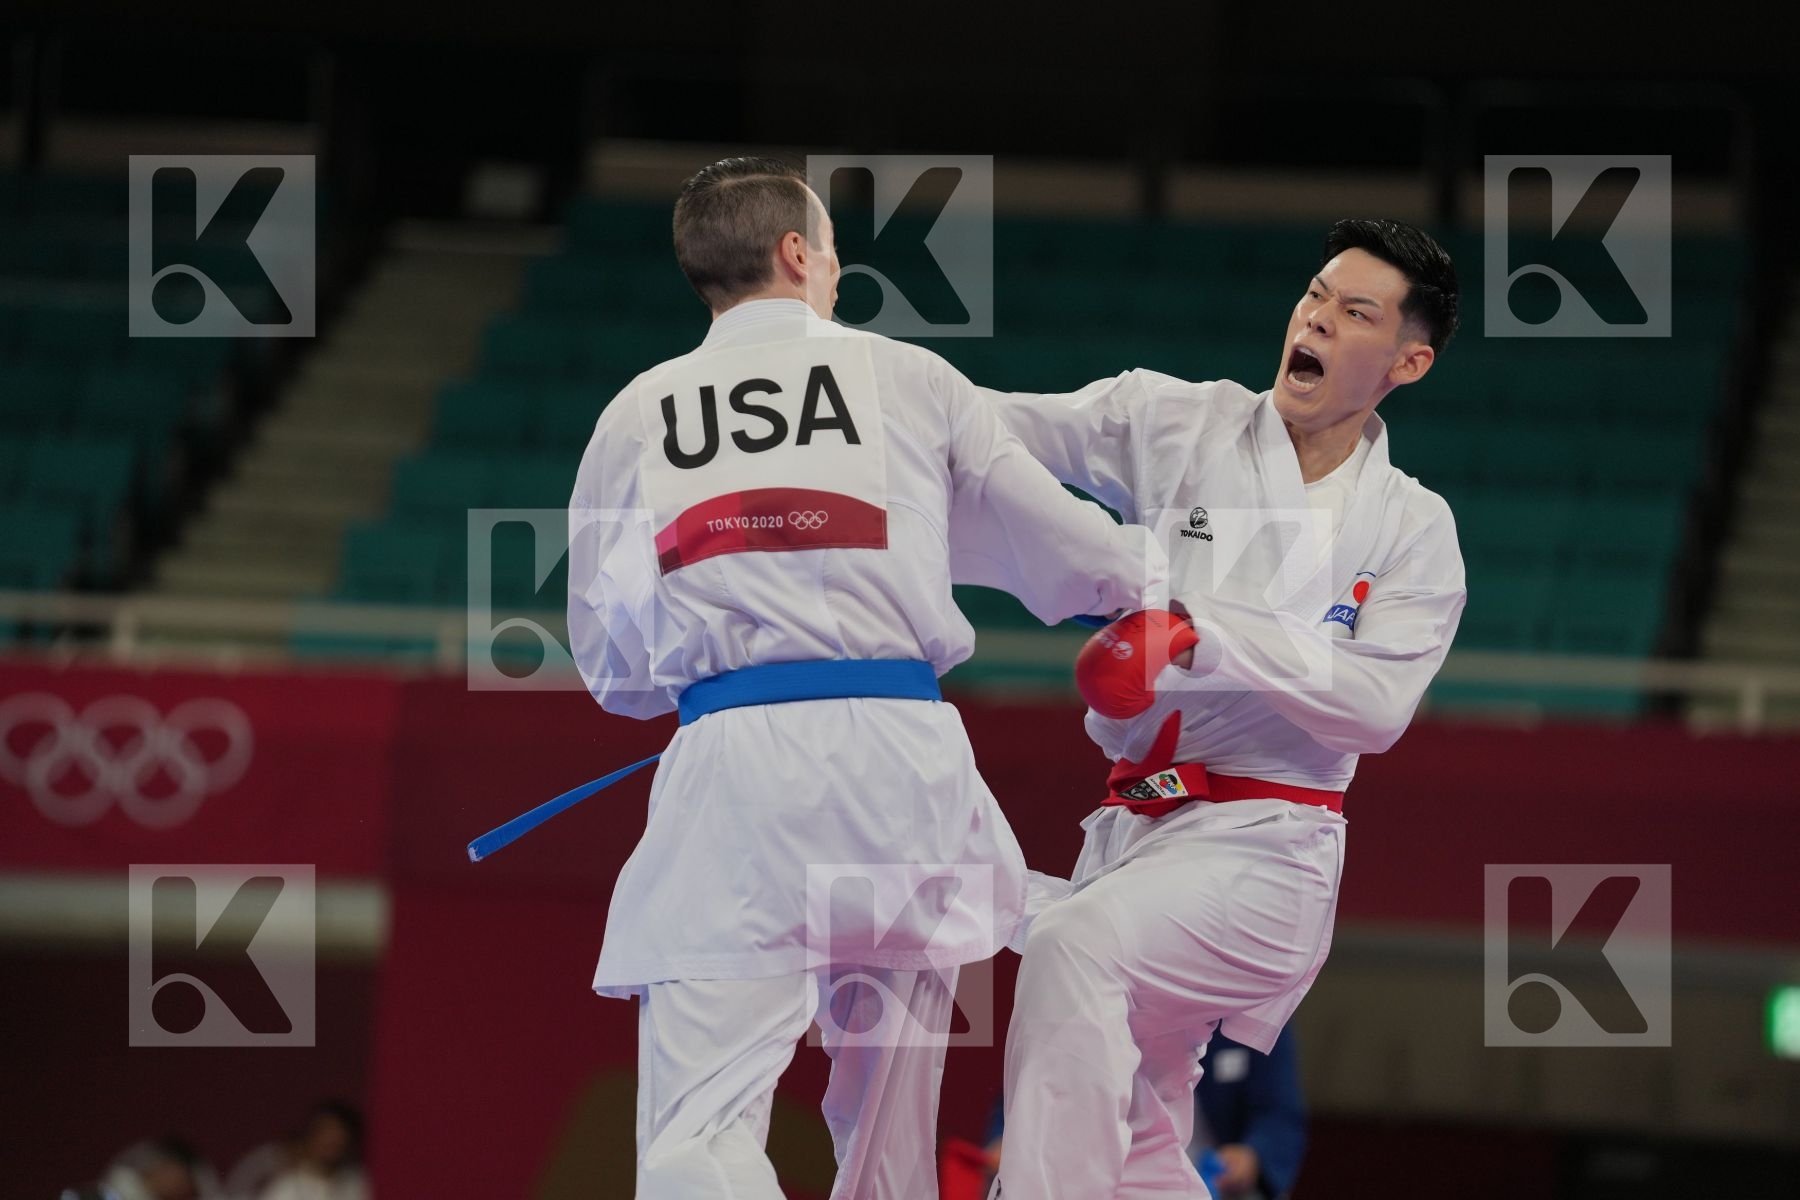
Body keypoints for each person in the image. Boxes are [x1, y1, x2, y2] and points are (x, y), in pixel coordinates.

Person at [565, 157, 1166, 1200]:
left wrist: (712, 677)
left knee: (698, 1129)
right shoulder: (909, 377)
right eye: (834, 250)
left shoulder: (634, 415)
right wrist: (1164, 583)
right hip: (901, 772)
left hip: (737, 781)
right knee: (888, 1142)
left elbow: (610, 664)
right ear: (799, 254)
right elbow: (1070, 547)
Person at [985, 218, 1466, 1198]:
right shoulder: (1172, 420)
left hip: (1271, 845)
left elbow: (1378, 707)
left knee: (1075, 944)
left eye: (1356, 312)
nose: (1317, 319)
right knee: (1140, 1127)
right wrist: (854, 387)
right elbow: (985, 428)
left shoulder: (1412, 527)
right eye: (1316, 295)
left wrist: (1201, 629)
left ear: (1408, 362)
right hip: (1133, 824)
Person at [977, 1026, 1307, 1199]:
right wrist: (1008, 1138)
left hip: (1214, 1181)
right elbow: (1038, 1082)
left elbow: (1279, 1114)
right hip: (1104, 1174)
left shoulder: (1252, 1011)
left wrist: (1252, 1157)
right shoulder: (1101, 1002)